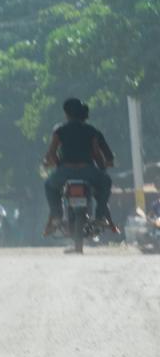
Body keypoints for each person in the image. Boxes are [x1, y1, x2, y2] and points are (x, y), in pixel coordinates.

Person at [42, 96, 116, 249]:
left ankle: (56, 215)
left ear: (67, 114)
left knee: (49, 185)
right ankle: (101, 215)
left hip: (65, 172)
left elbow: (51, 153)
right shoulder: (92, 131)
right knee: (106, 182)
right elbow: (97, 153)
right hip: (87, 171)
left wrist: (53, 163)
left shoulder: (59, 130)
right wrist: (103, 166)